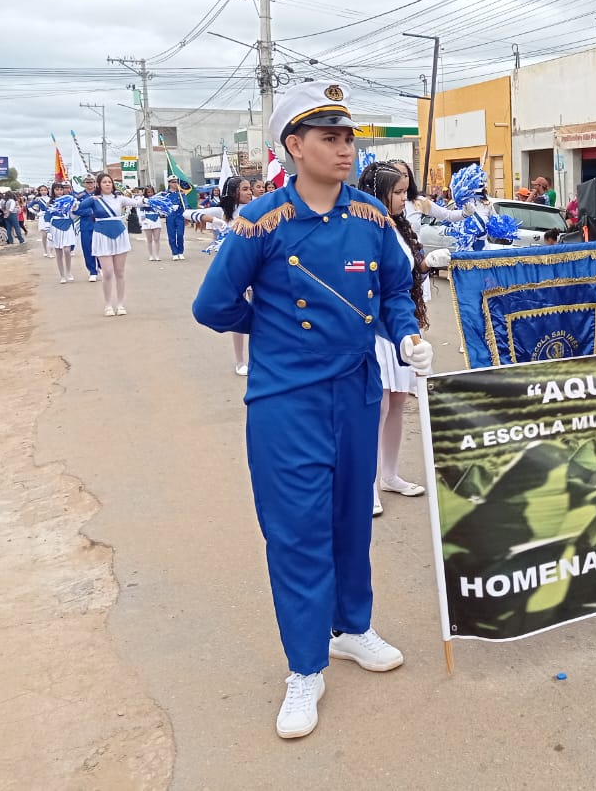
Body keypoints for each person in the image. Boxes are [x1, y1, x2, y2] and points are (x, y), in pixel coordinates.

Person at [192, 82, 432, 740]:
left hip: (354, 392)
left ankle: (352, 626)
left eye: (349, 136)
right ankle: (305, 666)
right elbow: (211, 305)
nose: (345, 148)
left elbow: (392, 287)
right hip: (285, 400)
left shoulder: (371, 218)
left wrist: (405, 333)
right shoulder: (260, 220)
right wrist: (267, 325)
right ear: (294, 146)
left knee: (352, 517)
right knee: (297, 530)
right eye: (329, 137)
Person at [358, 162, 431, 516]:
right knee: (379, 404)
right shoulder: (362, 227)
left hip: (401, 326)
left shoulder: (397, 226)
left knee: (399, 401)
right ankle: (366, 483)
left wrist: (428, 262)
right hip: (374, 329)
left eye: (405, 191)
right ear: (377, 193)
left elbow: (405, 273)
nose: (405, 199)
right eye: (398, 192)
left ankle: (390, 474)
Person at [189, 177, 255, 373]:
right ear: (234, 192)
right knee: (240, 313)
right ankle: (240, 361)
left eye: (250, 189)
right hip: (232, 268)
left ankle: (258, 358)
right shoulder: (222, 212)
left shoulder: (256, 209)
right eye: (245, 189)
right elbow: (188, 212)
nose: (250, 192)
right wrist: (213, 220)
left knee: (259, 312)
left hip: (255, 266)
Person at [76, 173, 143, 317]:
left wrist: (144, 198)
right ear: (98, 185)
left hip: (119, 234)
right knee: (107, 272)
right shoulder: (94, 199)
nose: (107, 184)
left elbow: (137, 203)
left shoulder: (119, 198)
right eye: (104, 182)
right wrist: (91, 199)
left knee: (120, 272)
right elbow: (78, 208)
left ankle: (120, 304)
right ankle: (108, 305)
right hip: (101, 234)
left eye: (109, 182)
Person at [48, 183, 80, 283]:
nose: (59, 192)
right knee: (58, 252)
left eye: (61, 189)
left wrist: (75, 205)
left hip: (67, 224)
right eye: (56, 189)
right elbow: (47, 216)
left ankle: (69, 272)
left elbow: (74, 212)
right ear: (53, 191)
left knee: (67, 250)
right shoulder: (50, 203)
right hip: (55, 226)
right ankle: (62, 275)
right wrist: (48, 230)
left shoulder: (69, 199)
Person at [73, 175, 102, 281]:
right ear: (84, 184)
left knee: (101, 247)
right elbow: (75, 210)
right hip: (86, 224)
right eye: (87, 182)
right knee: (87, 248)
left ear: (95, 183)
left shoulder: (101, 194)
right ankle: (92, 271)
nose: (90, 185)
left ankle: (101, 266)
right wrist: (90, 212)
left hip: (100, 224)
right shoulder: (80, 196)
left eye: (91, 182)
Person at [164, 175, 193, 260]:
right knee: (171, 235)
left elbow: (186, 204)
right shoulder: (166, 194)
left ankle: (180, 252)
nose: (175, 184)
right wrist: (169, 207)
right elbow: (163, 205)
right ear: (169, 183)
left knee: (180, 234)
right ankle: (174, 252)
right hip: (170, 215)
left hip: (180, 215)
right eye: (173, 182)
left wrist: (187, 214)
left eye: (176, 182)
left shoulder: (181, 193)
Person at [138, 184, 165, 261]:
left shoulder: (157, 199)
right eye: (148, 192)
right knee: (149, 239)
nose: (150, 193)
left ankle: (157, 255)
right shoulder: (143, 200)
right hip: (147, 219)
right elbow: (141, 211)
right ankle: (151, 255)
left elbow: (161, 210)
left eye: (151, 192)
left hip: (156, 219)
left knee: (157, 239)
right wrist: (142, 221)